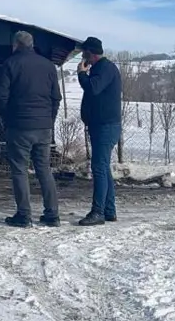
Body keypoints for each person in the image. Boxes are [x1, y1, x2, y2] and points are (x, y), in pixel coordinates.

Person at [0, 31, 63, 228]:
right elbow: (56, 98)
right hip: (43, 127)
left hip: (19, 126)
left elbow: (1, 97)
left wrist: (7, 119)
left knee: (19, 170)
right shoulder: (48, 65)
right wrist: (49, 119)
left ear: (16, 44)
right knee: (44, 169)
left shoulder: (10, 64)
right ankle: (52, 214)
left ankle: (24, 214)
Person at [77, 36, 122, 227]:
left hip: (106, 126)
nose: (81, 56)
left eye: (84, 52)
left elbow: (93, 88)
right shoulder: (100, 68)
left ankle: (98, 212)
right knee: (103, 168)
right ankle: (109, 211)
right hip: (101, 125)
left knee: (99, 168)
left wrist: (81, 74)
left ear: (90, 53)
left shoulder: (105, 68)